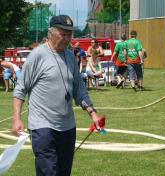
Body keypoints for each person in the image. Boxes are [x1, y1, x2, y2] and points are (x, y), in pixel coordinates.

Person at [11, 15, 104, 176]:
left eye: (70, 34)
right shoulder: (37, 56)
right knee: (49, 172)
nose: (67, 38)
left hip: (67, 127)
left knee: (63, 172)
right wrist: (17, 118)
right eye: (63, 34)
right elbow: (20, 89)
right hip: (42, 127)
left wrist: (93, 114)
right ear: (51, 33)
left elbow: (79, 90)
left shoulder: (70, 56)